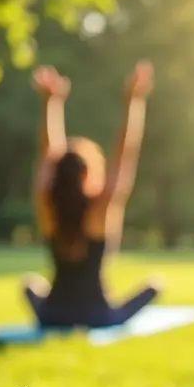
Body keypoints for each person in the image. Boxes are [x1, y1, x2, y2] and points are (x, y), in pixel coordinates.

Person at [23, 62, 160, 329]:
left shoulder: (47, 206)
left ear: (57, 175)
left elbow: (48, 152)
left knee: (29, 284)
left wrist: (51, 102)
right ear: (87, 175)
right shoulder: (100, 211)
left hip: (52, 316)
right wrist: (133, 99)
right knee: (154, 285)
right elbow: (126, 152)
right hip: (99, 318)